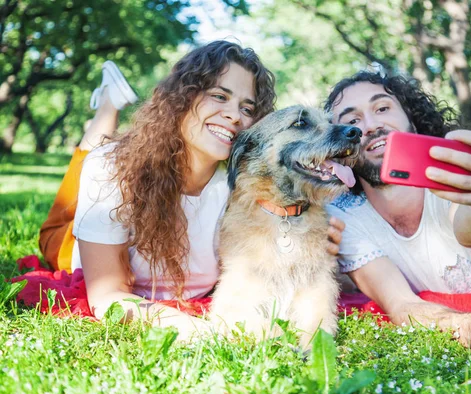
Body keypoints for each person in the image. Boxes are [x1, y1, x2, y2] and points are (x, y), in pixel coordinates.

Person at [38, 41, 345, 340]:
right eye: (219, 96)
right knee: (94, 161)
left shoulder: (243, 181)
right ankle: (108, 105)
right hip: (71, 245)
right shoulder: (112, 172)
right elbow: (107, 297)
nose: (235, 115)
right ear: (182, 98)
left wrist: (316, 237)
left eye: (247, 107)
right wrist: (190, 328)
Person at [324, 71, 471, 359]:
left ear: (411, 118)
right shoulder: (343, 216)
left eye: (382, 108)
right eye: (352, 121)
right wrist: (465, 324)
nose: (370, 126)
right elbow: (400, 304)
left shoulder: (450, 174)